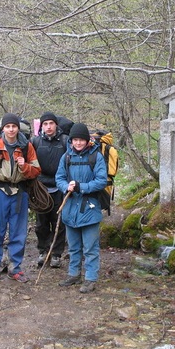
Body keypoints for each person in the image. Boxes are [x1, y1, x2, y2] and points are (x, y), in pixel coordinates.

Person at [0, 113, 40, 284]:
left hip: (20, 194)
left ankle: (15, 267)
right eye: (8, 126)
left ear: (18, 128)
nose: (11, 129)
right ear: (3, 128)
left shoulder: (26, 146)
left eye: (14, 126)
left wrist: (25, 166)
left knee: (18, 232)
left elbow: (36, 170)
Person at [55, 123, 107, 293]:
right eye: (75, 140)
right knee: (73, 246)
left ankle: (90, 278)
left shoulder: (96, 157)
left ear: (87, 140)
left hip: (89, 207)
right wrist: (65, 187)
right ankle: (73, 274)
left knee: (90, 247)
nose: (78, 143)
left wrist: (81, 187)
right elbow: (59, 177)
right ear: (71, 141)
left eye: (81, 140)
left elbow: (101, 181)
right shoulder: (66, 157)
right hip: (70, 207)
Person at [31, 111, 68, 268]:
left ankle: (57, 254)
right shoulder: (36, 142)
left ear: (56, 125)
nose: (48, 127)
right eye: (45, 124)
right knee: (41, 223)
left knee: (59, 222)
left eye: (51, 123)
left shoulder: (65, 141)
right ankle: (43, 251)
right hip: (41, 189)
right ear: (42, 126)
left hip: (60, 186)